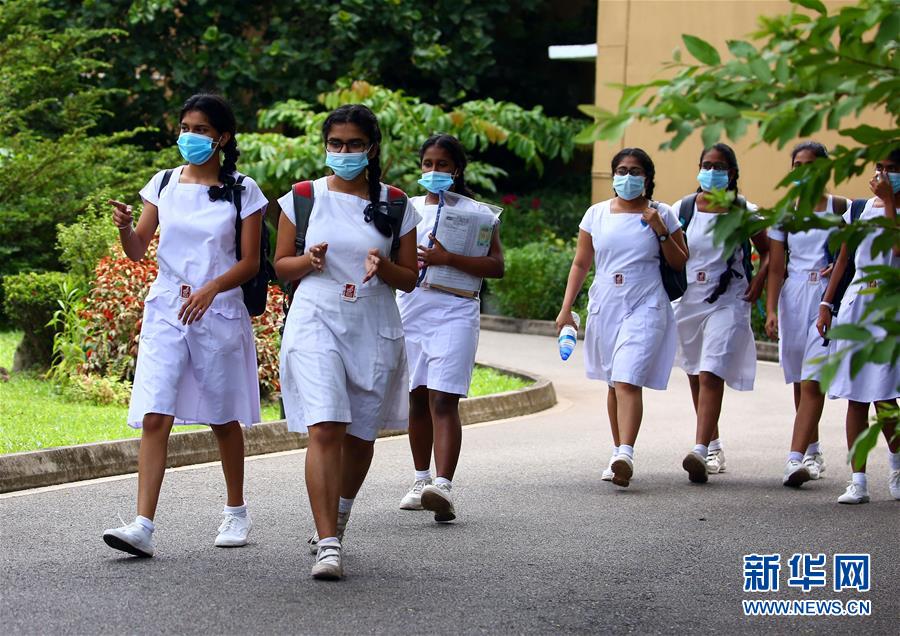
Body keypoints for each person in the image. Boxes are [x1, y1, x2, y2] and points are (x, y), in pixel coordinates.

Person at [102, 94, 268, 557]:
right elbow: (138, 249)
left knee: (221, 416)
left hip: (216, 311)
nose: (189, 137)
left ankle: (236, 510)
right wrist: (123, 227)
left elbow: (252, 261)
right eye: (184, 127)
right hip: (167, 310)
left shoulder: (243, 190)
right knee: (156, 413)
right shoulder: (163, 183)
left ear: (223, 137)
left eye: (200, 129)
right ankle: (143, 525)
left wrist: (211, 288)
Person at [274, 104, 420, 579]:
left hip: (373, 323)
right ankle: (329, 544)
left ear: (371, 148)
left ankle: (338, 514)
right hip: (316, 316)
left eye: (353, 144)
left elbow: (411, 278)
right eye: (335, 143)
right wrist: (308, 261)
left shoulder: (397, 203)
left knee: (360, 436)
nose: (343, 152)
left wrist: (386, 268)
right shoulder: (301, 197)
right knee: (325, 426)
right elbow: (280, 266)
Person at [556, 148, 688, 487]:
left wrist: (659, 229)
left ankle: (626, 452)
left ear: (647, 178)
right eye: (622, 170)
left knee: (628, 376)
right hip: (606, 303)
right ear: (613, 176)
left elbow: (679, 261)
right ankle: (618, 453)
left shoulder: (664, 213)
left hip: (646, 303)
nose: (627, 177)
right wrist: (566, 307)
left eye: (635, 171)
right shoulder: (596, 214)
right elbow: (581, 263)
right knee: (614, 380)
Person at [396, 134, 504, 522]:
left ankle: (442, 485)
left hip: (456, 309)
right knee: (416, 395)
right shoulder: (404, 209)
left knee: (444, 398)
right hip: (412, 307)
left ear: (457, 169)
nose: (434, 171)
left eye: (443, 165)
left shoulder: (478, 213)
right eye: (428, 164)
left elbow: (497, 266)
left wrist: (449, 258)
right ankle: (419, 479)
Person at [671, 143, 769, 483]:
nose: (712, 172)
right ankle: (712, 444)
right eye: (707, 165)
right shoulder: (682, 209)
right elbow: (668, 252)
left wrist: (757, 288)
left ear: (732, 173)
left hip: (728, 299)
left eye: (720, 166)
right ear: (698, 169)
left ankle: (699, 449)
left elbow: (770, 252)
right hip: (689, 300)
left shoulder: (744, 211)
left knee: (712, 370)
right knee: (696, 373)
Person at [817, 148, 900, 504]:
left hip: (889, 306)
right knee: (854, 396)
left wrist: (891, 202)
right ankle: (858, 480)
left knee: (884, 395)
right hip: (856, 304)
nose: (883, 174)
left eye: (892, 169)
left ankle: (896, 469)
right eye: (880, 167)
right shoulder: (859, 209)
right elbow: (844, 259)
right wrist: (826, 303)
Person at [766, 141, 849, 487]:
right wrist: (770, 309)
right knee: (801, 380)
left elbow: (851, 254)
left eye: (809, 165)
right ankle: (812, 451)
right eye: (796, 165)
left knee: (814, 378)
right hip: (793, 295)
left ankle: (793, 459)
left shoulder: (841, 208)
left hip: (824, 296)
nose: (802, 172)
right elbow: (774, 267)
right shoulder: (785, 212)